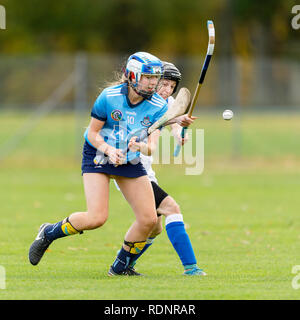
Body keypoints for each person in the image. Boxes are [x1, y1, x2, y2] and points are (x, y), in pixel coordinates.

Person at [28, 52, 169, 276]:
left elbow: (151, 146)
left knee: (150, 219)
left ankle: (120, 268)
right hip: (98, 152)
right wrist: (109, 150)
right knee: (96, 218)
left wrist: (139, 147)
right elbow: (92, 133)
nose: (153, 82)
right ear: (132, 75)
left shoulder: (159, 106)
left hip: (129, 158)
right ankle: (48, 232)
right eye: (147, 77)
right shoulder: (109, 97)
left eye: (156, 78)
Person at [113, 61, 207, 276]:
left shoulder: (167, 102)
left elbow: (174, 123)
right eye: (163, 84)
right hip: (130, 169)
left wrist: (179, 135)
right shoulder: (145, 105)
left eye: (172, 87)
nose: (167, 90)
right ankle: (191, 268)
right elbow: (151, 145)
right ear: (152, 82)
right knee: (171, 208)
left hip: (145, 171)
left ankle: (121, 266)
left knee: (154, 226)